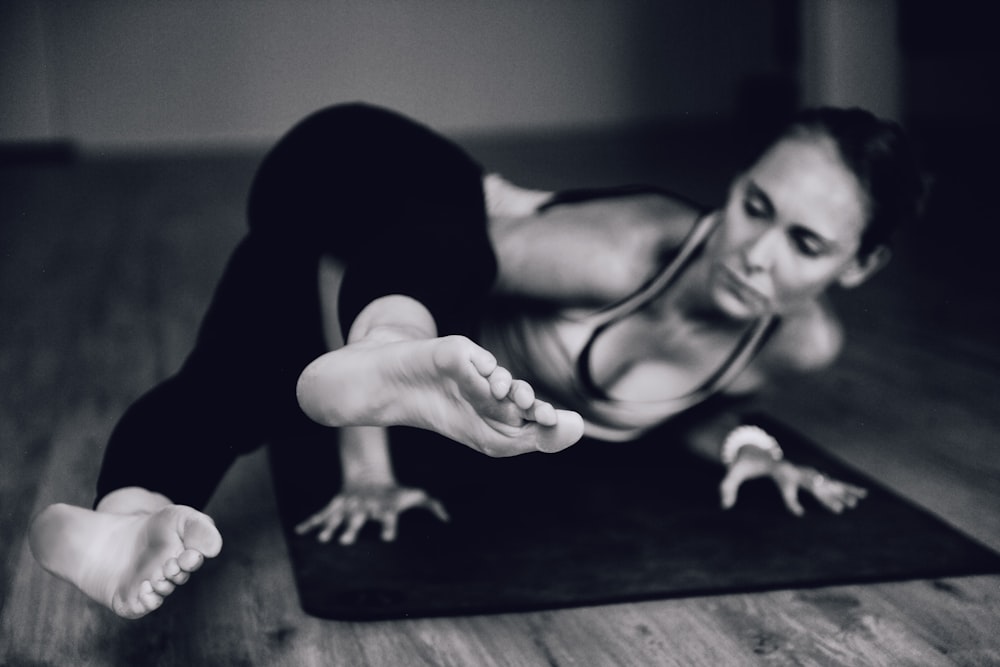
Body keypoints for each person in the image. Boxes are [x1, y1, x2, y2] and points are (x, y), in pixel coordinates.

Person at [28, 102, 925, 619]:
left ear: (861, 264)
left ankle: (125, 518)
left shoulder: (804, 340)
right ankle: (387, 350)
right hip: (361, 189)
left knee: (246, 371)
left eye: (804, 242)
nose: (755, 251)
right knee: (281, 344)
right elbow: (376, 241)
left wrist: (749, 448)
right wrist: (367, 449)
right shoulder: (624, 249)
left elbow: (695, 402)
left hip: (397, 334)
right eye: (754, 203)